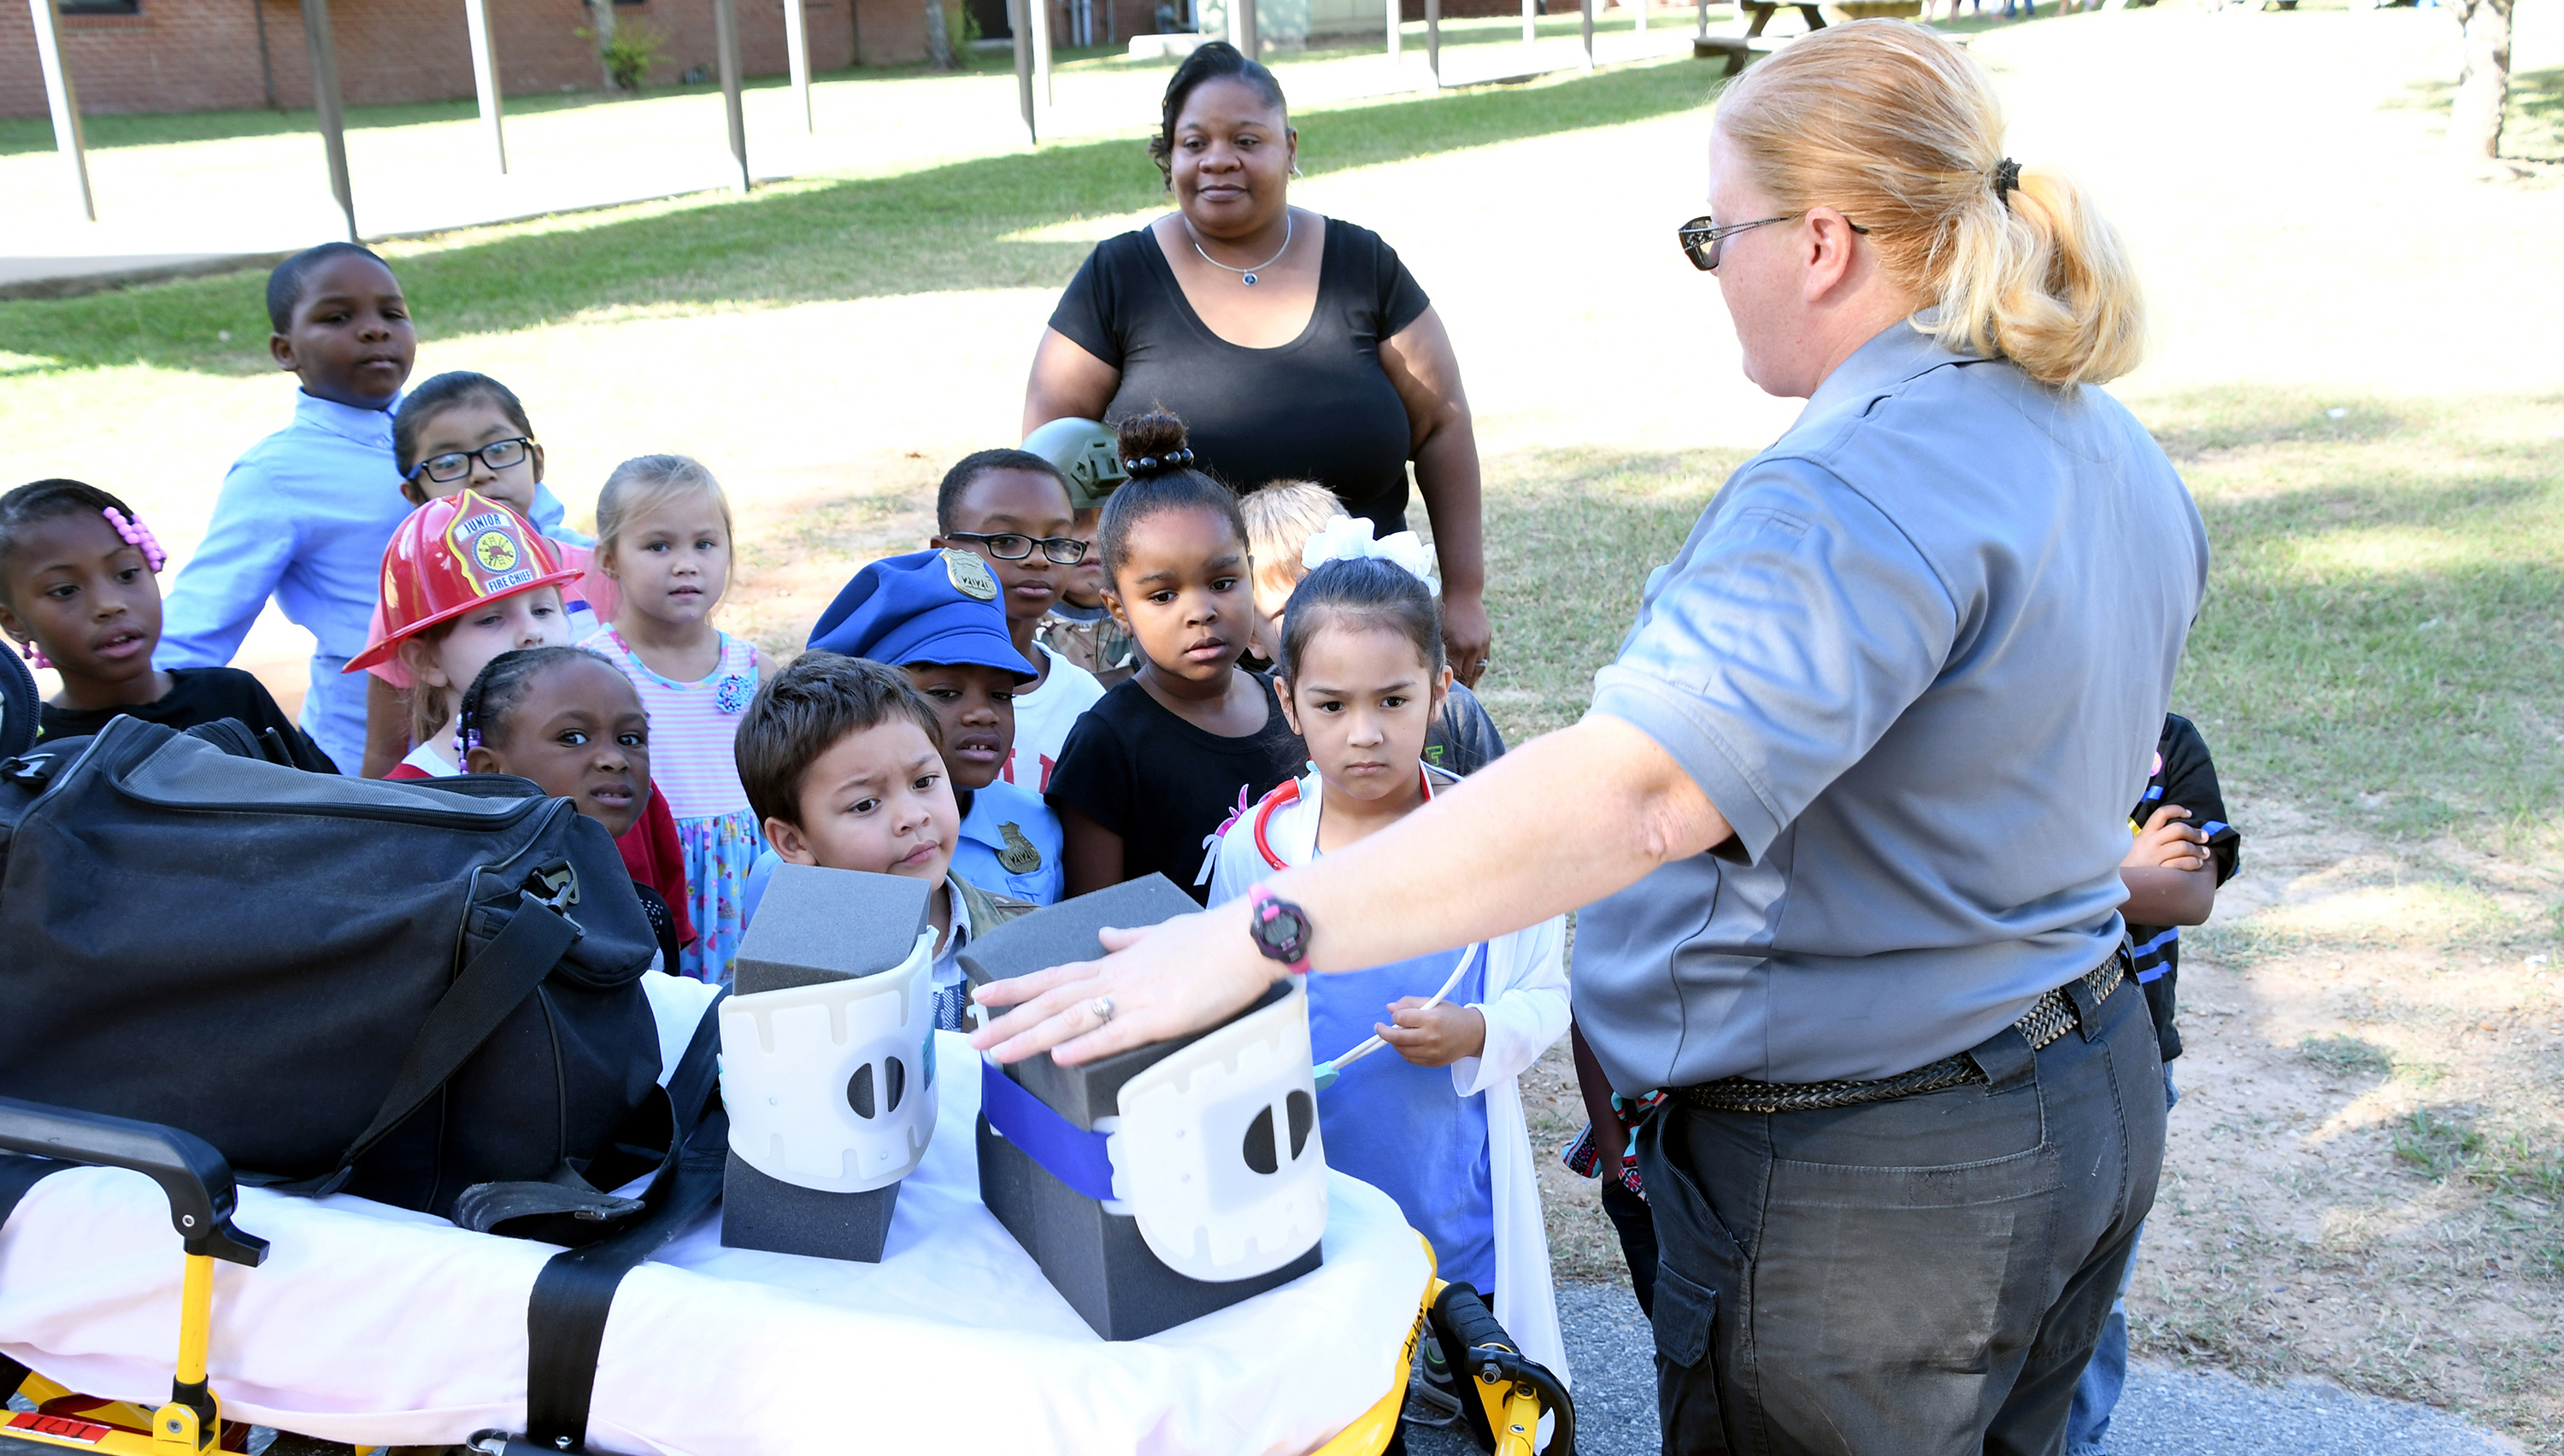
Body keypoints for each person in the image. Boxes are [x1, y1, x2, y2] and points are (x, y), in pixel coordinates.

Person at [975, 23, 2203, 1454]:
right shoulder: (2098, 434)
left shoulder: (1851, 488)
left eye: (1715, 235)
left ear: (1818, 243)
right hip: (2075, 1081)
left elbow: (1635, 795)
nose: (1715, 270)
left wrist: (1258, 932)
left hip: (1881, 1182)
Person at [1020, 41, 1494, 689]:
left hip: (1373, 648)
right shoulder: (1119, 275)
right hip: (1186, 668)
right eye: (1195, 143)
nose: (1219, 159)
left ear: (1290, 148)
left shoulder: (1364, 266)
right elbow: (1049, 449)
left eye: (1247, 140)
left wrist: (1464, 593)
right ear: (1169, 157)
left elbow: (1442, 424)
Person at [1207, 551, 1570, 1383]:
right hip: (1308, 1189)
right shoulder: (1256, 853)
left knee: (1466, 1374)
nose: (1364, 733)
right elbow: (1223, 1007)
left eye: (1393, 701)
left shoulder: (1502, 845)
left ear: (1441, 692)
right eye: (1332, 705)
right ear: (1288, 703)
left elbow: (1547, 995)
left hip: (1450, 1187)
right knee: (1334, 1382)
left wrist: (1476, 1031)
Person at [155, 243, 564, 773]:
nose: (374, 331)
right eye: (337, 317)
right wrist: (117, 716)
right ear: (285, 350)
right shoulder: (276, 475)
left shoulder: (456, 428)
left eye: (392, 314)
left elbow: (548, 539)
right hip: (368, 758)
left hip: (527, 723)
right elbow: (200, 623)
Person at [1043, 412, 1304, 905]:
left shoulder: (1292, 706)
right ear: (1119, 610)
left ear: (1250, 576)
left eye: (1222, 583)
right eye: (1163, 596)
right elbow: (1098, 920)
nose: (1201, 612)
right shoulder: (1107, 746)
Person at [2068, 713, 2239, 1456]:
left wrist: (2069, 884)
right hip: (2011, 1046)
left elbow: (2190, 896)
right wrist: (2130, 868)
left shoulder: (2168, 741)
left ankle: (2079, 1441)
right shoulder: (2022, 718)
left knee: (2096, 1287)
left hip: (2135, 1055)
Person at [739, 548, 1067, 910]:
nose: (982, 714)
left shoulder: (1037, 822)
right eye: (944, 693)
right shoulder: (786, 875)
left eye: (1002, 694)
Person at [734, 652, 1036, 1030]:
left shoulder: (1031, 936)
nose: (912, 816)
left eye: (923, 782)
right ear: (793, 842)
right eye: (865, 804)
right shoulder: (785, 987)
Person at [357, 370, 613, 777]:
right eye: (447, 462)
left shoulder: (604, 573)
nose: (480, 473)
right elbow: (382, 755)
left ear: (537, 462)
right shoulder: (409, 601)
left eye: (500, 449)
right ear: (414, 494)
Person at [0, 478, 329, 770]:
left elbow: (326, 808)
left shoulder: (234, 696)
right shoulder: (30, 752)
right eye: (65, 590)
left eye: (127, 574)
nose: (109, 605)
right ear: (13, 623)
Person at [579, 455, 760, 985]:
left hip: (748, 878)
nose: (686, 564)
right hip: (652, 876)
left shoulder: (753, 668)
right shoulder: (593, 671)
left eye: (705, 544)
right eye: (659, 546)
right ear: (609, 559)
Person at [1242, 484, 1508, 776]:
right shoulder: (1252, 724)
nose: (1333, 623)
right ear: (1252, 634)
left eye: (1393, 702)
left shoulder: (1453, 708)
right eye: (1332, 706)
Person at [455, 644, 692, 971]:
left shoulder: (645, 910)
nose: (615, 759)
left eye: (630, 739)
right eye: (573, 738)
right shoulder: (467, 914)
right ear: (490, 770)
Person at [345, 490, 582, 781]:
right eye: (491, 619)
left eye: (543, 610)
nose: (531, 632)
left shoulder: (605, 760)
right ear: (427, 662)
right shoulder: (407, 797)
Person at [928, 449, 1105, 794]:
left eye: (1056, 541)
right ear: (943, 552)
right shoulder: (902, 687)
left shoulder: (1083, 700)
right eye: (1006, 541)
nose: (1038, 559)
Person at [1023, 417, 1138, 689]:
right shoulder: (1018, 627)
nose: (1093, 536)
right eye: (1073, 519)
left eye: (1111, 516)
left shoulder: (1152, 612)